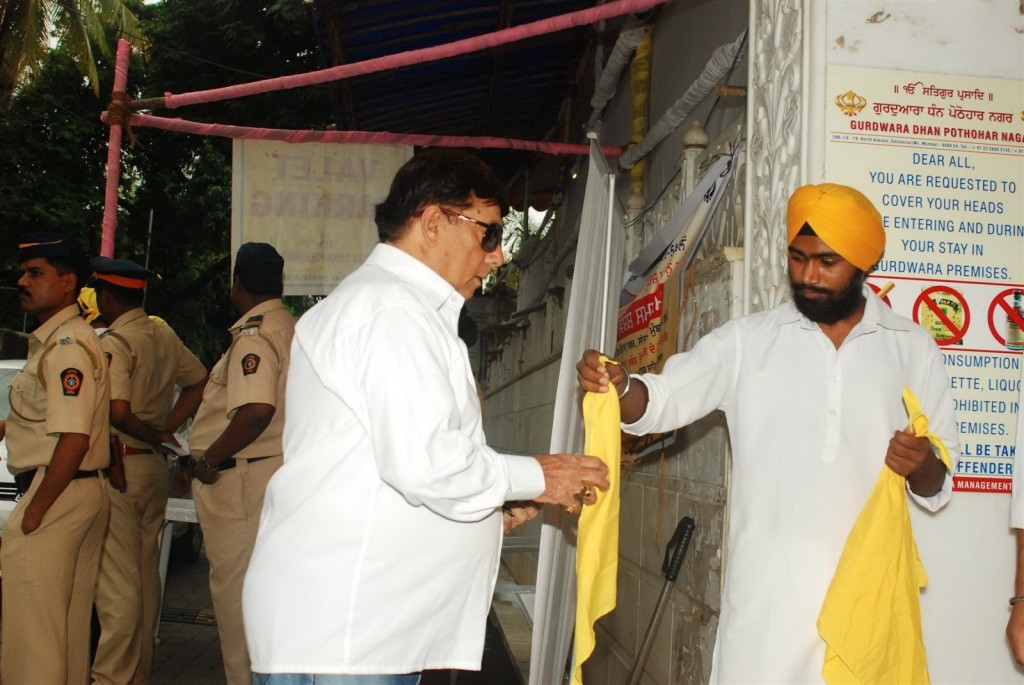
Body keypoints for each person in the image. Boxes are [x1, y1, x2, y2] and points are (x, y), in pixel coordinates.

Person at [242, 148, 609, 683]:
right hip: (350, 634)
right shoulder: (392, 310)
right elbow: (426, 464)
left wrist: (490, 514)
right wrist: (542, 475)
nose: (498, 256)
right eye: (487, 233)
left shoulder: (393, 308)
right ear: (433, 222)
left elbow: (374, 471)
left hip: (356, 628)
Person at [577, 183, 959, 683]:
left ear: (864, 263)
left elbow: (939, 481)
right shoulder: (746, 342)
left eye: (827, 262)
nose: (808, 276)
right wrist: (621, 384)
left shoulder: (911, 348)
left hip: (867, 609)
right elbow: (661, 402)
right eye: (797, 259)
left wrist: (921, 463)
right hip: (766, 613)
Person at [89, 257, 209, 685]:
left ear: (106, 296)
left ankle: (112, 678)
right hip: (152, 468)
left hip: (122, 464)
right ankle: (136, 673)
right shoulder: (163, 333)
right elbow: (199, 382)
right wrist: (167, 428)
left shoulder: (116, 342)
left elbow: (117, 410)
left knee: (118, 590)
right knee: (143, 579)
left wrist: (153, 432)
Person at [1, 233, 111, 685]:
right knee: (63, 636)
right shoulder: (61, 341)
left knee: (34, 643)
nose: (24, 281)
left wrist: (35, 514)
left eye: (36, 273)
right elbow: (46, 419)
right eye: (23, 274)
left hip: (56, 492)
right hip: (78, 491)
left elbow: (74, 437)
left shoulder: (66, 346)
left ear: (68, 283)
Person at [188, 242, 296, 685]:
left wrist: (209, 458)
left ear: (237, 285)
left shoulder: (255, 334)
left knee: (236, 606)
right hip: (268, 472)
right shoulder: (290, 327)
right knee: (266, 602)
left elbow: (256, 410)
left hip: (242, 478)